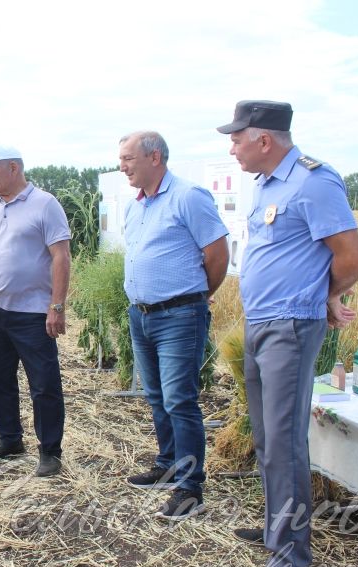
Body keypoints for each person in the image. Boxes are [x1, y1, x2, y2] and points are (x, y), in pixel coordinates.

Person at [218, 100, 358, 567]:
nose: (233, 147)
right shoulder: (266, 186)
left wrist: (323, 296)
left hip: (290, 327)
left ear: (264, 140)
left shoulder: (314, 181)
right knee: (267, 438)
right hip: (261, 322)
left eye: (238, 138)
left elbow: (352, 255)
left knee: (284, 443)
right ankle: (275, 530)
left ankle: (291, 557)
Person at [118, 131, 229, 519]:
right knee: (156, 395)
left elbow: (217, 254)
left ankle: (190, 487)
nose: (122, 166)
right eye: (121, 159)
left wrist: (197, 293)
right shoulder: (136, 206)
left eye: (129, 158)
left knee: (181, 399)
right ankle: (167, 463)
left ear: (155, 157)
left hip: (180, 315)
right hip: (142, 314)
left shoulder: (188, 196)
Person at [0, 145, 71, 477]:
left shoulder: (45, 204)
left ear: (13, 167)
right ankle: (9, 440)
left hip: (33, 312)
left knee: (44, 384)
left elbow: (61, 256)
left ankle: (50, 452)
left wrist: (57, 306)